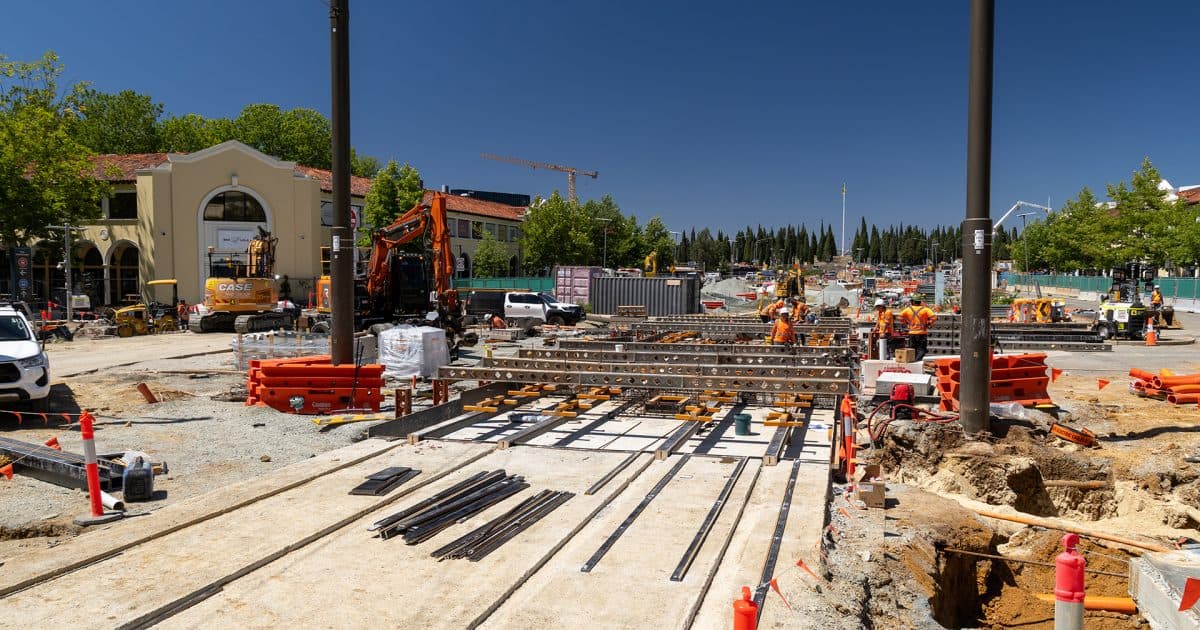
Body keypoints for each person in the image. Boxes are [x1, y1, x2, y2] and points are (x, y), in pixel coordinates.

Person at [898, 295, 937, 361]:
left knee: (912, 349)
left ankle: (914, 361)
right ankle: (917, 361)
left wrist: (906, 322)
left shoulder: (908, 309)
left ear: (913, 302)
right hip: (922, 333)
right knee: (922, 349)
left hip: (912, 333)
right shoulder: (925, 309)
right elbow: (934, 317)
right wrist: (929, 323)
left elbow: (899, 317)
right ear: (920, 302)